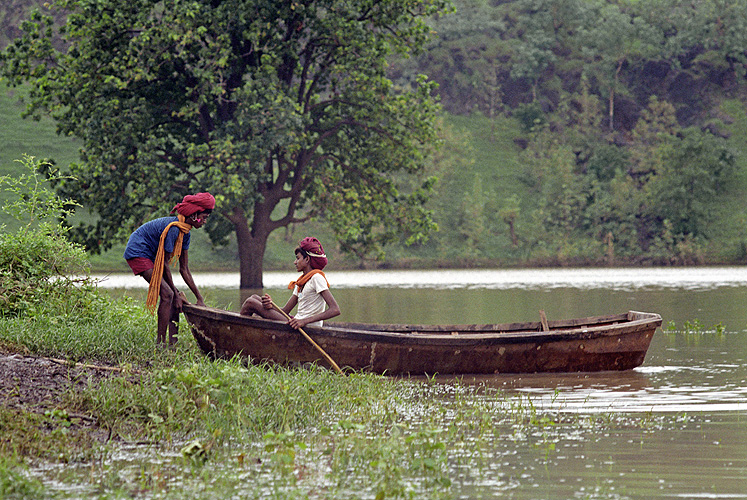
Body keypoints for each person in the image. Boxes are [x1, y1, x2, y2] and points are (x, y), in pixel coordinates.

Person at [123, 192, 215, 345]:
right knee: (168, 294)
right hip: (139, 251)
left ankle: (173, 344)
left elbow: (184, 269)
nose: (204, 222)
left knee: (174, 296)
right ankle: (160, 343)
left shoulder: (186, 233)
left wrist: (199, 298)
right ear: (194, 215)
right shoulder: (173, 229)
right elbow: (164, 264)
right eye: (204, 218)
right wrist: (176, 294)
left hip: (152, 256)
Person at [240, 236, 340, 329]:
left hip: (307, 327)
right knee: (254, 297)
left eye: (298, 258)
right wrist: (271, 305)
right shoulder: (301, 282)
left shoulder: (316, 278)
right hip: (296, 322)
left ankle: (238, 333)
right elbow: (285, 311)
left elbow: (335, 310)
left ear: (307, 259)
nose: (295, 262)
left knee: (250, 303)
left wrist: (304, 321)